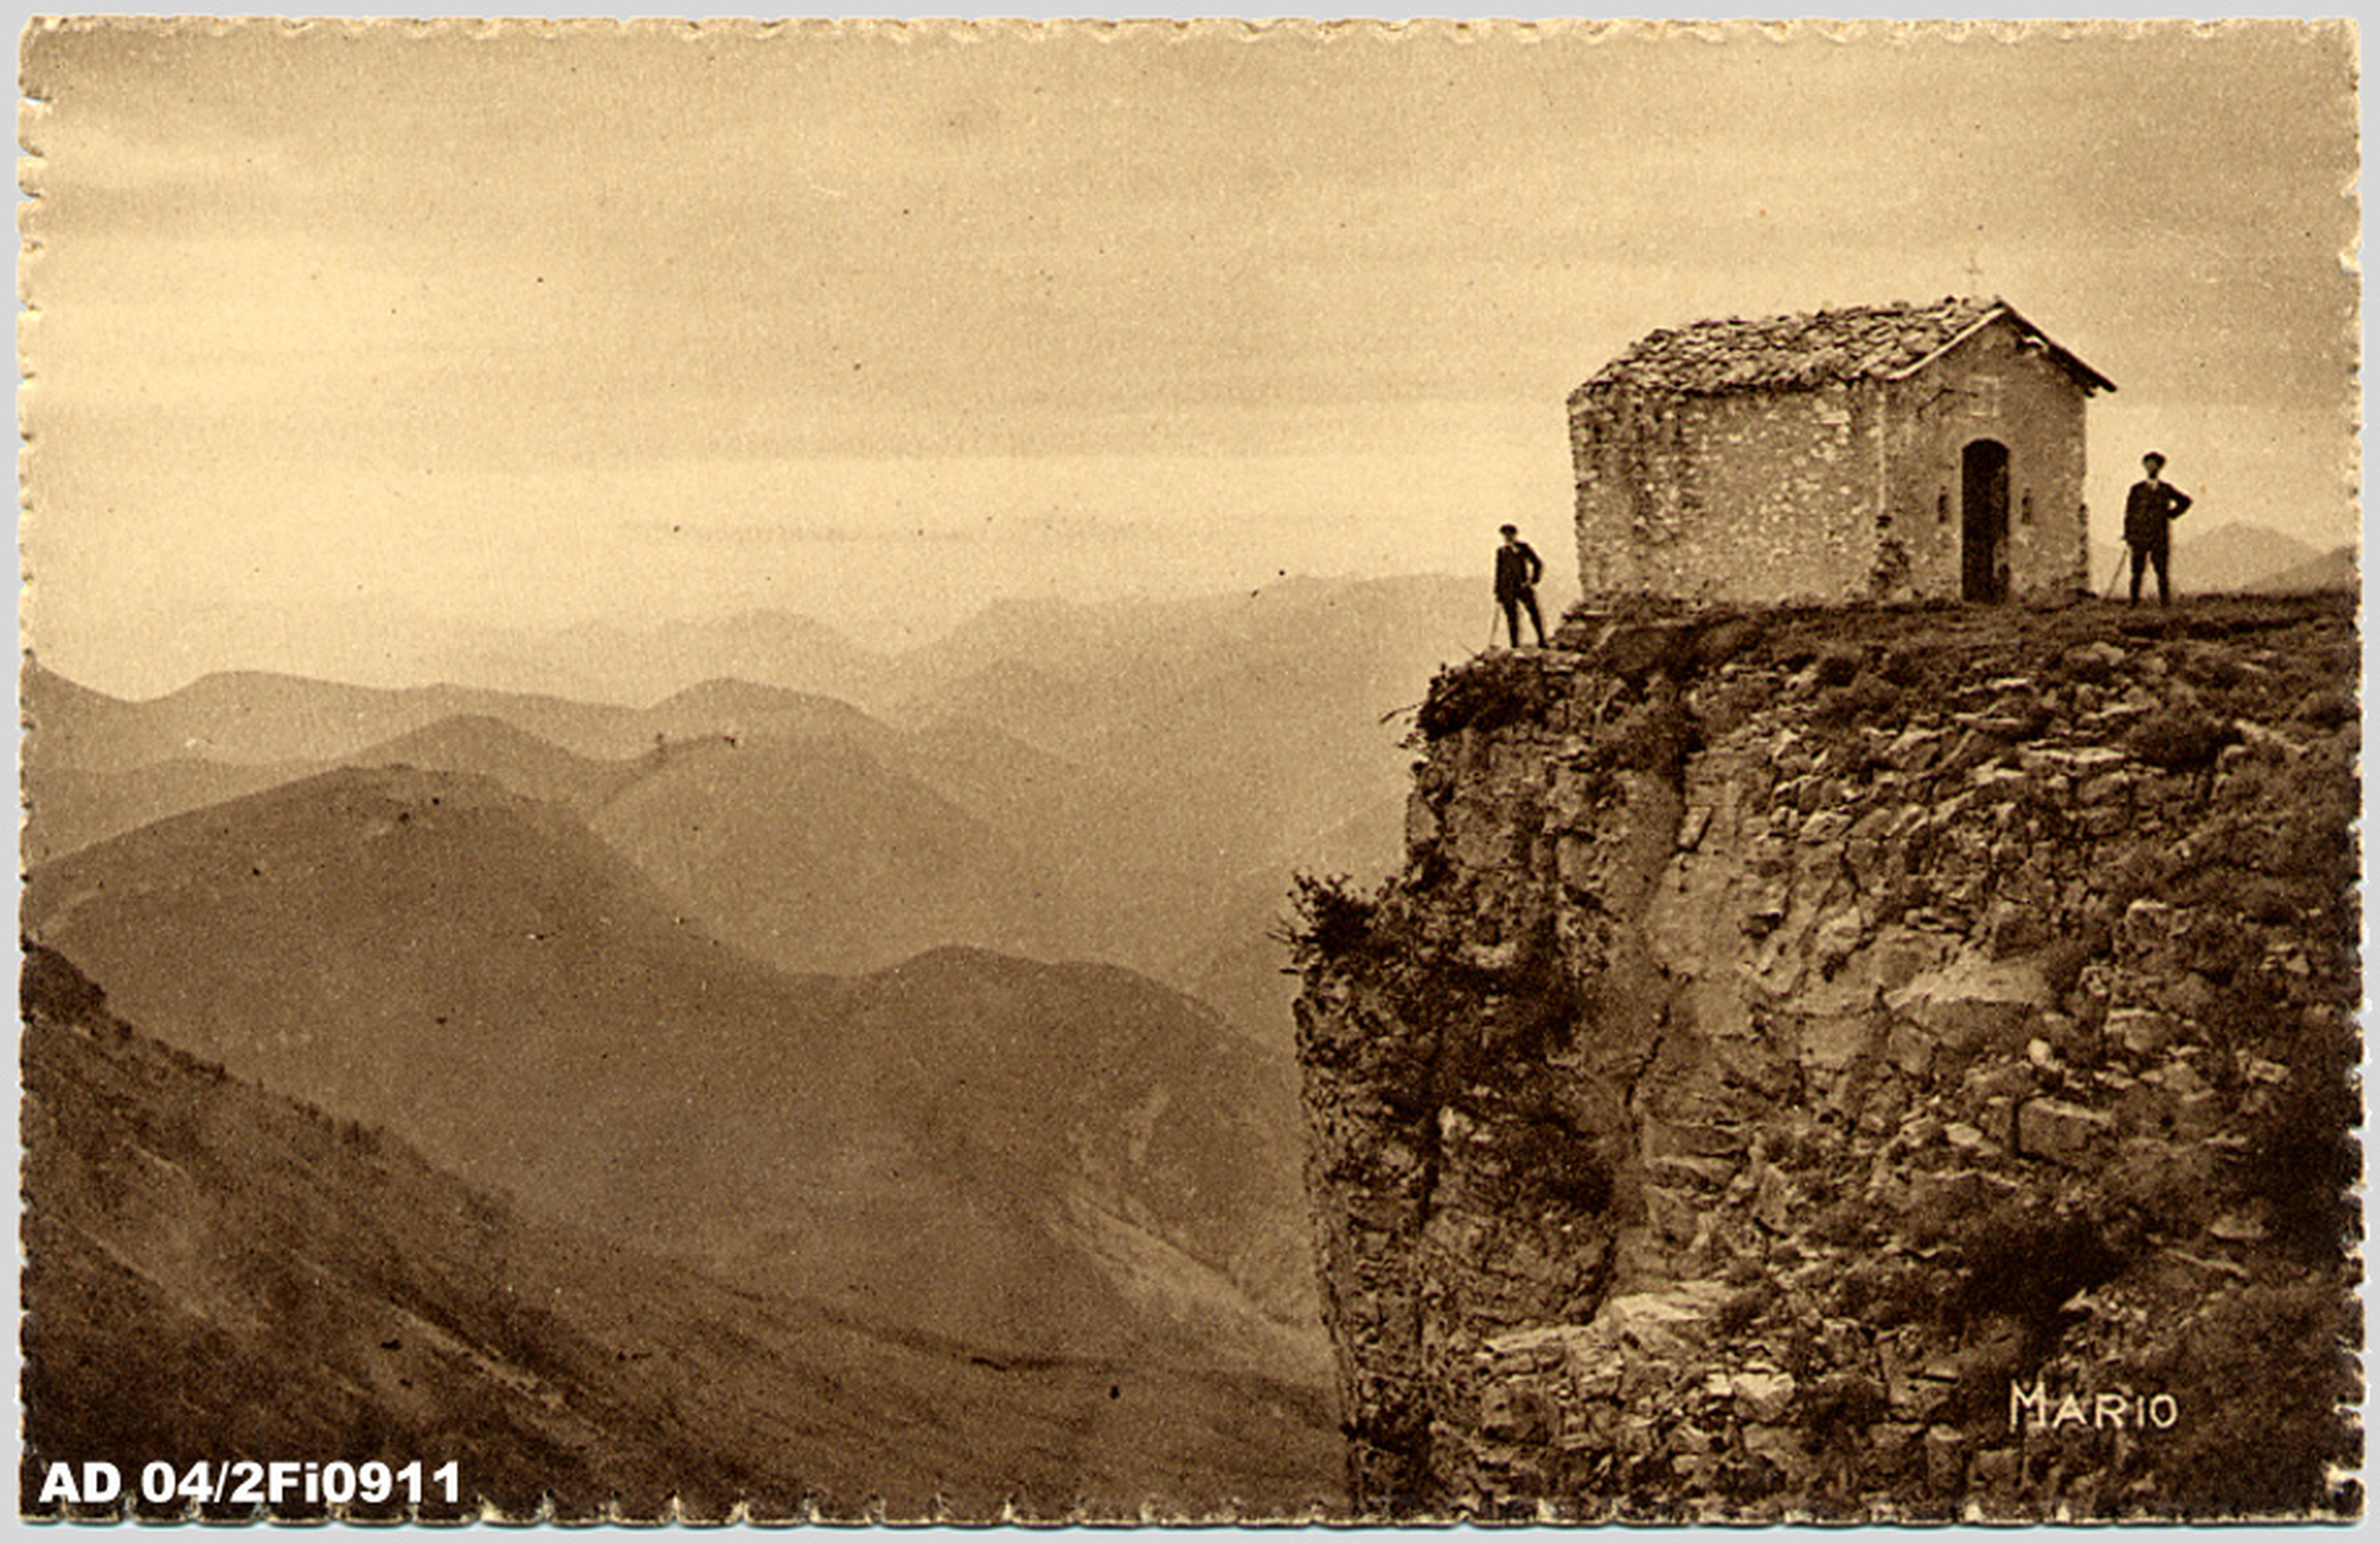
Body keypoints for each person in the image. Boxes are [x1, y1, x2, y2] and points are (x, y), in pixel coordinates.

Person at [2122, 452, 2192, 606]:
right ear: (2144, 466)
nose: (2151, 467)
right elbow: (2129, 513)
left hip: (2159, 536)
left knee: (2161, 571)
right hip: (2140, 537)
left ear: (2160, 468)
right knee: (2136, 571)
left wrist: (2170, 514)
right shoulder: (2136, 490)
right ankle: (2133, 602)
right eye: (2148, 464)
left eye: (2154, 464)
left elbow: (2185, 501)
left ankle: (2164, 602)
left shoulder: (2166, 489)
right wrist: (2128, 534)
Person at [1494, 524, 1547, 647]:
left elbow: (1538, 563)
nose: (1508, 537)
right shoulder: (1501, 552)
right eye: (1505, 535)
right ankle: (1514, 644)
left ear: (1515, 535)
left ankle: (1542, 640)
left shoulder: (1523, 548)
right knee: (1512, 617)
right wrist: (1498, 592)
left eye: (1510, 535)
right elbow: (1499, 572)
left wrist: (1533, 581)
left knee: (1534, 612)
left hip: (1523, 586)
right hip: (1507, 589)